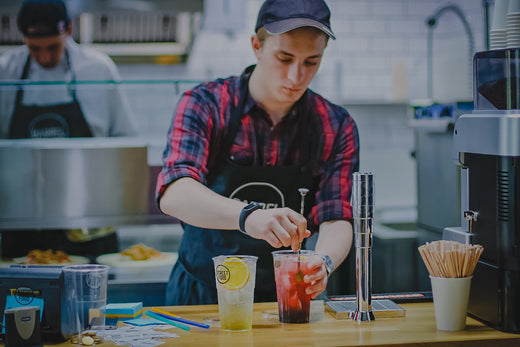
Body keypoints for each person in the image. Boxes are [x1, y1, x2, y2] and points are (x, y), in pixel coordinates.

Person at [157, 0, 359, 305]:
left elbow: (336, 215)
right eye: (284, 58)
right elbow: (174, 193)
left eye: (311, 62)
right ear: (256, 46)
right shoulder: (206, 104)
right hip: (199, 297)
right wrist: (248, 217)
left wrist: (324, 262)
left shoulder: (334, 124)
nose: (296, 77)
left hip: (287, 298)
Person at [0, 0, 137, 259]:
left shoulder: (97, 69)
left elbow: (124, 141)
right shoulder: (5, 72)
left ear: (69, 30)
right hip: (23, 225)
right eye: (34, 49)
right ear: (23, 38)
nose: (44, 57)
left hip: (90, 224)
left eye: (53, 47)